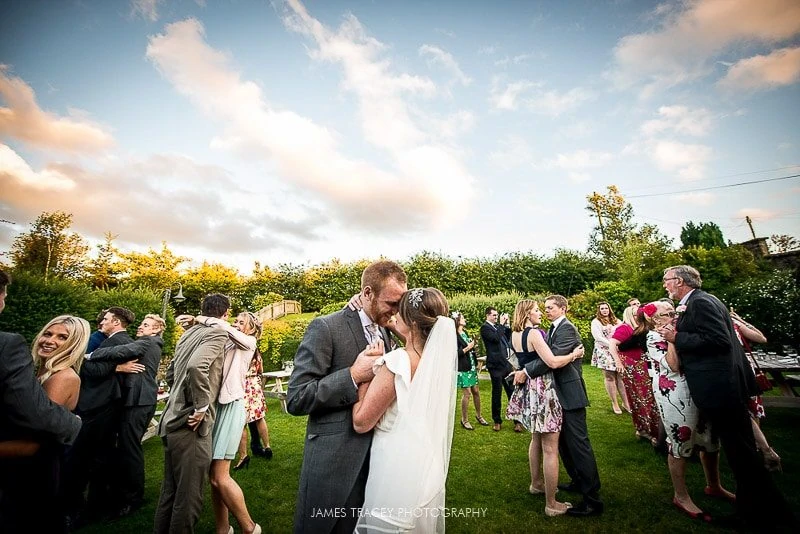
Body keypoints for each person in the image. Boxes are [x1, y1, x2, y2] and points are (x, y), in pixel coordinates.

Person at [658, 265, 796, 528]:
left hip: (720, 387)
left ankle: (761, 515)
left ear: (679, 281)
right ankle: (755, 509)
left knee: (742, 454)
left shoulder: (700, 303)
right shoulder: (701, 301)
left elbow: (719, 340)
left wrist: (676, 336)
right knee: (740, 452)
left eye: (667, 280)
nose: (665, 285)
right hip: (723, 385)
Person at [287, 260, 407, 533]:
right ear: (367, 294)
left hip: (377, 462)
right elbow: (296, 397)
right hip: (334, 459)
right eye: (391, 303)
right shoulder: (326, 328)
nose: (396, 311)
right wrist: (352, 375)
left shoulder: (388, 331)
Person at [352, 287, 456, 533]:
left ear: (410, 322)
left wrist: (365, 375)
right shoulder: (437, 364)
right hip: (425, 468)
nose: (393, 316)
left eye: (399, 311)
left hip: (395, 475)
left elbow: (361, 422)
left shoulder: (396, 362)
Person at [641, 300, 733, 522]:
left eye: (674, 311)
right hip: (673, 393)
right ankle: (681, 496)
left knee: (710, 438)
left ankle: (714, 486)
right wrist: (672, 340)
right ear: (654, 319)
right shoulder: (653, 337)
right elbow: (673, 365)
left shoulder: (681, 330)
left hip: (698, 387)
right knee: (681, 439)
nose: (673, 315)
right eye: (668, 313)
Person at [1, 314, 89, 532]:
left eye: (62, 337)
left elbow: (33, 443)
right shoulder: (39, 371)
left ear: (73, 345)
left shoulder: (63, 378)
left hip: (32, 476)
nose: (50, 340)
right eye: (48, 333)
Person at [154, 293, 231, 534]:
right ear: (226, 314)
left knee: (170, 493)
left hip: (170, 418)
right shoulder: (217, 333)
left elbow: (171, 373)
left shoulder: (188, 333)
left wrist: (177, 396)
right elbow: (197, 366)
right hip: (190, 424)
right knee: (189, 498)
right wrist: (200, 406)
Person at [507, 299, 584, 517]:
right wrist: (574, 355)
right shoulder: (533, 334)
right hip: (543, 389)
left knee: (536, 439)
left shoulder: (514, 335)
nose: (540, 313)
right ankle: (552, 504)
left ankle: (536, 484)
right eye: (536, 310)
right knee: (550, 448)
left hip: (529, 390)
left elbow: (517, 362)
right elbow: (552, 362)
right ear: (527, 314)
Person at [528, 295, 603, 517]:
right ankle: (578, 481)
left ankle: (592, 499)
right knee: (563, 445)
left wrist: (526, 370)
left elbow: (552, 359)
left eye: (551, 307)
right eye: (545, 307)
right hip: (556, 394)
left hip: (570, 393)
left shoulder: (567, 329)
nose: (547, 310)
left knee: (579, 445)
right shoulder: (552, 329)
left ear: (563, 308)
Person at [85, 313, 166, 517]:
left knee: (131, 448)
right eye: (141, 323)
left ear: (156, 329)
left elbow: (124, 349)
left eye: (146, 325)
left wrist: (90, 355)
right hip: (137, 399)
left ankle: (133, 498)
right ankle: (122, 491)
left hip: (140, 400)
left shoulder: (148, 342)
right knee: (127, 447)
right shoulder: (147, 341)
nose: (140, 327)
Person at [63, 306, 136, 524]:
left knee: (92, 457)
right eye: (103, 319)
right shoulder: (97, 340)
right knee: (85, 457)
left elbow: (94, 368)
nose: (103, 322)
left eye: (106, 319)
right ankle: (79, 506)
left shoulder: (110, 341)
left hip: (100, 405)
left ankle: (90, 506)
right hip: (94, 404)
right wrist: (117, 368)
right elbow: (88, 367)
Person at [200, 311, 261, 534]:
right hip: (216, 407)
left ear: (252, 329)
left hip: (232, 406)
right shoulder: (227, 343)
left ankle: (250, 528)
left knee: (219, 476)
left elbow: (226, 329)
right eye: (235, 321)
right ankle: (223, 529)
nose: (235, 324)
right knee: (213, 478)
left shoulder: (249, 342)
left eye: (241, 322)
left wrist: (204, 318)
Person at [730, 311, 781, 471]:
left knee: (743, 409)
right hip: (746, 368)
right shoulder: (735, 323)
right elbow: (761, 338)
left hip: (733, 369)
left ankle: (760, 449)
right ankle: (758, 448)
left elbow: (761, 339)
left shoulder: (723, 323)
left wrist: (739, 320)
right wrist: (741, 320)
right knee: (751, 408)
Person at [607, 305, 660, 444]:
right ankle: (645, 429)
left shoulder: (640, 329)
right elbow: (612, 344)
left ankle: (647, 428)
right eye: (636, 315)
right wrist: (618, 362)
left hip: (641, 365)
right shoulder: (625, 328)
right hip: (631, 366)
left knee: (646, 396)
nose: (639, 317)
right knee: (639, 397)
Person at [234, 346, 273, 470]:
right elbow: (260, 370)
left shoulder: (239, 352)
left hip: (243, 386)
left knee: (241, 422)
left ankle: (243, 456)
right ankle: (267, 447)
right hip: (255, 386)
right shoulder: (255, 352)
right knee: (260, 418)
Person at [480, 307, 519, 432]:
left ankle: (517, 421)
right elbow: (495, 339)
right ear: (488, 315)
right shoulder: (485, 328)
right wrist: (501, 325)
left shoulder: (498, 327)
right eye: (494, 315)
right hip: (495, 366)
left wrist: (506, 325)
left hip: (506, 365)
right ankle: (497, 421)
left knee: (512, 392)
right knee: (496, 393)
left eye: (497, 315)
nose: (496, 317)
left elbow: (507, 338)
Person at [590, 302, 628, 415]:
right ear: (599, 310)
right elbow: (598, 338)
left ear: (609, 309)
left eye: (606, 308)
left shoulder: (616, 320)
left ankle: (626, 403)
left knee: (621, 376)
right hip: (604, 351)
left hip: (616, 350)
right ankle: (614, 403)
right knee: (610, 376)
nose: (605, 310)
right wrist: (612, 344)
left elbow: (624, 331)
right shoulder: (596, 322)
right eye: (602, 308)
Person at [453, 312, 487, 430]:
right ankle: (464, 419)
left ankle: (479, 416)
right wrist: (468, 347)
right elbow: (455, 353)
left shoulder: (465, 333)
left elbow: (469, 350)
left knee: (476, 391)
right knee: (467, 393)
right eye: (462, 318)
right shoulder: (454, 336)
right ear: (457, 320)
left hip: (471, 365)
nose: (465, 319)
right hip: (463, 367)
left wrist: (474, 352)